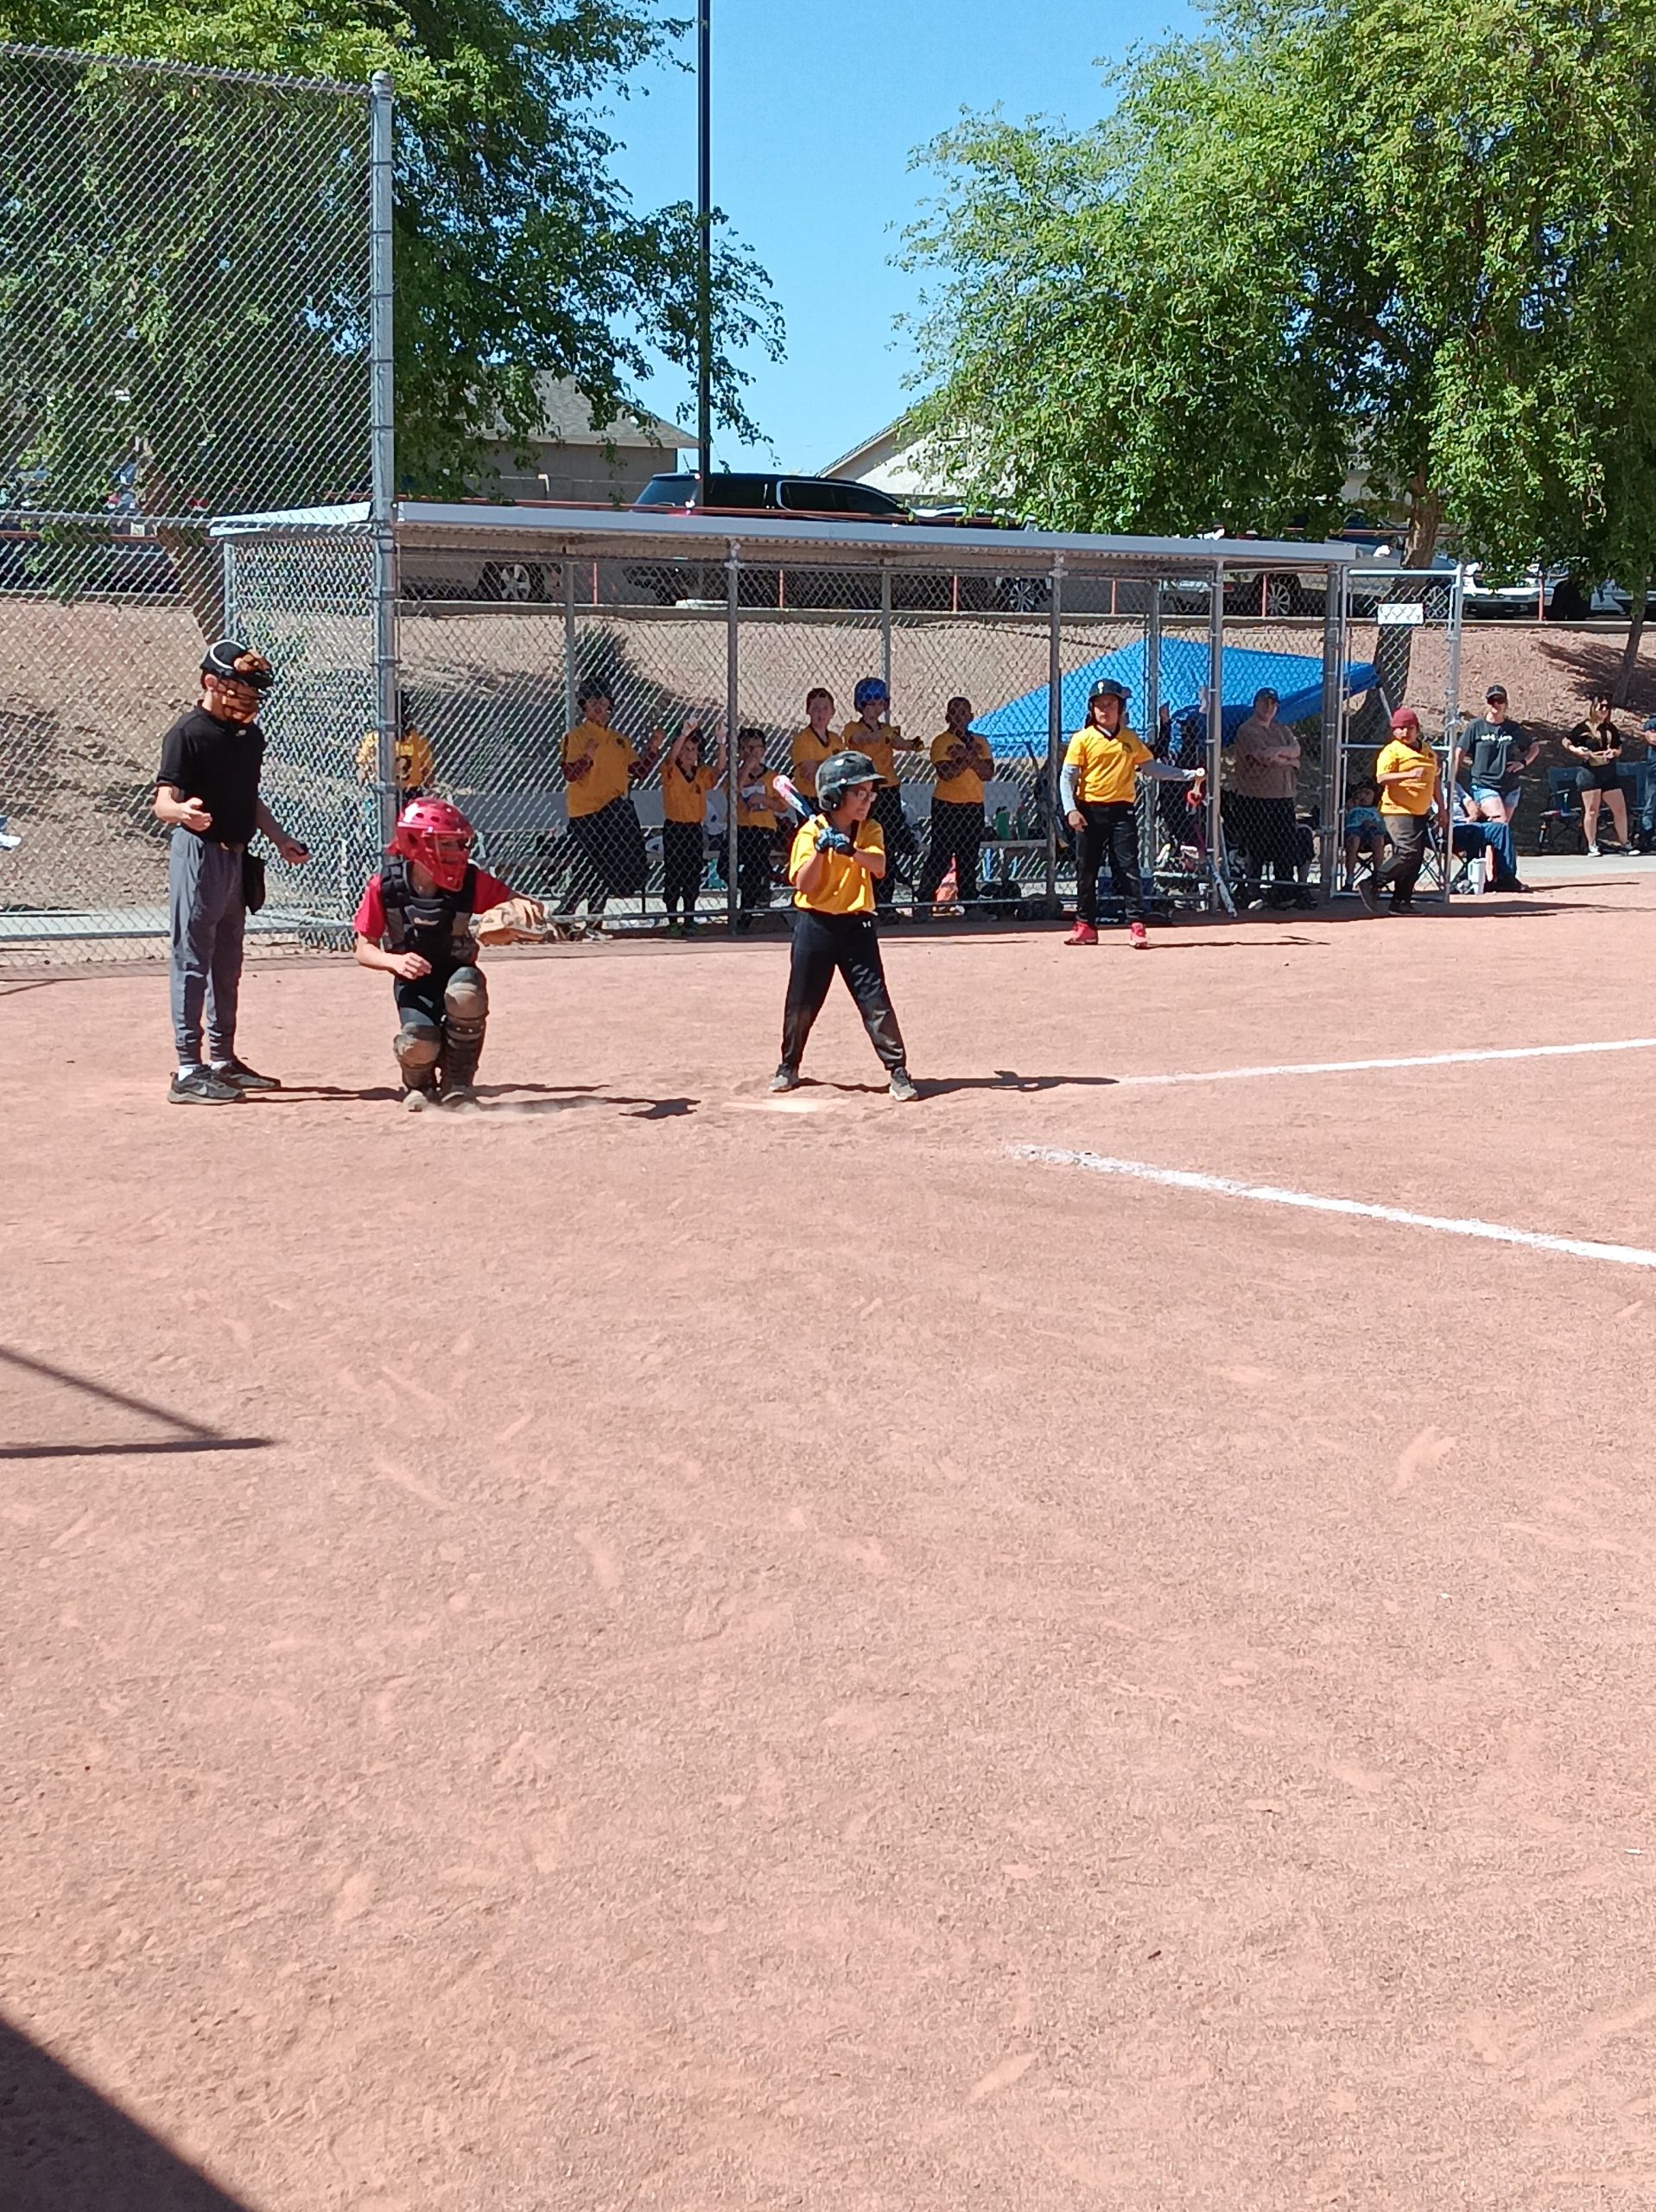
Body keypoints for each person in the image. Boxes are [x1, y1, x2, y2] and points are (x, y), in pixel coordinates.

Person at [152, 639, 310, 1104]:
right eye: (238, 688)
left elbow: (249, 797)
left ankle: (222, 1059)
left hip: (236, 858)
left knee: (227, 962)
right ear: (210, 683)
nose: (247, 699)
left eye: (251, 691)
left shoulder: (248, 738)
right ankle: (187, 1068)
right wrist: (185, 815)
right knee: (193, 959)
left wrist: (280, 839)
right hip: (198, 853)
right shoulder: (188, 734)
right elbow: (163, 802)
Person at [352, 797, 541, 1110]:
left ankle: (458, 1082)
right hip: (413, 982)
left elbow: (527, 903)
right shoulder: (385, 886)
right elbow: (363, 949)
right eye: (446, 845)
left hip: (456, 970)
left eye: (459, 844)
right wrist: (395, 961)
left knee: (466, 993)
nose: (457, 853)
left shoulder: (470, 881)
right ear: (415, 843)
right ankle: (419, 1085)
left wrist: (515, 917)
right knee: (418, 1043)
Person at [771, 748, 917, 1102]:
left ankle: (897, 1070)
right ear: (834, 796)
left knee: (874, 1000)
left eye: (871, 793)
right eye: (859, 793)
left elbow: (879, 866)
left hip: (857, 927)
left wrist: (850, 850)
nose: (868, 800)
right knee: (802, 1001)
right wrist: (822, 850)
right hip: (815, 925)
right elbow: (804, 884)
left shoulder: (869, 830)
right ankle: (788, 1065)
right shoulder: (810, 833)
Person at [1062, 677, 1198, 946]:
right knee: (1086, 869)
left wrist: (1187, 774)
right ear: (1092, 709)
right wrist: (1070, 810)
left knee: (1127, 868)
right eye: (1099, 704)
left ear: (1120, 708)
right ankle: (1085, 925)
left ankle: (1136, 924)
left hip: (1121, 812)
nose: (1105, 709)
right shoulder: (1083, 739)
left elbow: (1152, 768)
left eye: (1110, 704)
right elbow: (1067, 777)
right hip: (1089, 811)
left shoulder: (1129, 739)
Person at [559, 681, 658, 918]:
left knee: (607, 864)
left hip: (612, 812)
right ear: (584, 708)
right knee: (589, 863)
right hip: (586, 811)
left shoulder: (620, 741)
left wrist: (653, 748)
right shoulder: (576, 737)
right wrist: (587, 757)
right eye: (593, 705)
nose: (599, 710)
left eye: (604, 705)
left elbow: (639, 772)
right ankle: (567, 910)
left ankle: (595, 917)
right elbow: (570, 774)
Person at [842, 677, 920, 915]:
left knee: (888, 844)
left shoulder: (887, 730)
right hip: (866, 792)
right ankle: (868, 897)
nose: (878, 708)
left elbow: (899, 742)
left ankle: (886, 898)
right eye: (873, 703)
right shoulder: (853, 728)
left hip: (888, 790)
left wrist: (911, 744)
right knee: (867, 840)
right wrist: (880, 737)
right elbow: (859, 739)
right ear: (862, 705)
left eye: (881, 703)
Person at [1229, 688, 1311, 908]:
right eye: (1264, 703)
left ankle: (1284, 891)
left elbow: (1296, 750)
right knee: (1257, 845)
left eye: (1273, 704)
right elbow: (1265, 758)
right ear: (1255, 704)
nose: (1268, 708)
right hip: (1255, 798)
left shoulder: (1280, 729)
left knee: (1285, 844)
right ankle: (1252, 891)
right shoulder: (1248, 730)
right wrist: (1285, 757)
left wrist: (1280, 753)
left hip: (1283, 797)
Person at [1360, 707, 1440, 914]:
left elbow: (1435, 782)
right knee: (1408, 851)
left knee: (1416, 857)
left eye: (1409, 728)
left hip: (1421, 811)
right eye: (1400, 729)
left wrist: (1443, 809)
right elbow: (1382, 778)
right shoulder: (1392, 751)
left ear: (1417, 729)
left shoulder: (1428, 751)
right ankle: (1372, 883)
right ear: (1393, 731)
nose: (1405, 732)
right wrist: (1409, 775)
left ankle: (1402, 901)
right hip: (1397, 810)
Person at [917, 696, 994, 912]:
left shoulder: (981, 741)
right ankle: (924, 902)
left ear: (971, 716)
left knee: (968, 857)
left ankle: (970, 905)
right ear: (947, 717)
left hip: (973, 805)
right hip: (947, 805)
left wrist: (964, 756)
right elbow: (946, 773)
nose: (960, 717)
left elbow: (987, 773)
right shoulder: (942, 741)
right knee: (941, 855)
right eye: (955, 712)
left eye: (964, 712)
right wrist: (972, 759)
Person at [658, 715, 726, 934]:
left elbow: (719, 769)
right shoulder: (671, 772)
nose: (689, 754)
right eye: (685, 749)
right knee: (674, 873)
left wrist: (721, 742)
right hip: (675, 828)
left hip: (694, 829)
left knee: (692, 873)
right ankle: (672, 919)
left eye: (693, 750)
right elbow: (670, 759)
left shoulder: (700, 775)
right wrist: (683, 734)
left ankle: (689, 916)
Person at [1452, 684, 1538, 841]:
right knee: (1500, 822)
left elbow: (1533, 748)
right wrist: (1453, 779)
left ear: (1506, 703)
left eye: (1500, 701)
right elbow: (1460, 752)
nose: (1496, 705)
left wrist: (1523, 763)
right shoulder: (1476, 727)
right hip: (1484, 785)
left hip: (1510, 787)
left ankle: (1490, 863)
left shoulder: (1512, 728)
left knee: (1498, 832)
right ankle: (1493, 862)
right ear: (1487, 703)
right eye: (1492, 701)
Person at [1563, 690, 1630, 855]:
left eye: (1607, 707)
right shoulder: (1584, 727)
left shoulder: (1610, 728)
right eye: (1602, 707)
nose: (1604, 710)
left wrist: (1614, 753)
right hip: (1590, 772)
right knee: (1592, 810)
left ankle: (1625, 843)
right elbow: (1566, 741)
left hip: (1608, 771)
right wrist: (1577, 750)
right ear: (1594, 708)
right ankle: (1592, 845)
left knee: (1620, 808)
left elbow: (1618, 748)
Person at [734, 728, 784, 927]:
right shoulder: (737, 774)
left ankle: (745, 914)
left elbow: (782, 806)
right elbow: (733, 792)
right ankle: (755, 887)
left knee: (753, 868)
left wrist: (764, 799)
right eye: (746, 748)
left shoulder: (772, 776)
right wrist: (746, 770)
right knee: (724, 867)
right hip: (740, 827)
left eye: (756, 748)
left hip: (762, 828)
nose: (751, 753)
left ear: (764, 751)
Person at [355, 713, 435, 799]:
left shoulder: (375, 737)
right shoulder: (417, 739)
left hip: (382, 789)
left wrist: (362, 782)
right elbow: (427, 775)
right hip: (410, 791)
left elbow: (363, 768)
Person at [789, 687, 842, 800]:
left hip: (832, 796)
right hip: (809, 798)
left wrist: (820, 765)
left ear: (833, 712)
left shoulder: (836, 739)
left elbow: (844, 770)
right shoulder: (803, 739)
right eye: (816, 708)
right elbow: (810, 775)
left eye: (825, 708)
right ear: (808, 711)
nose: (821, 713)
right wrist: (833, 763)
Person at [1342, 778, 1388, 891]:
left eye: (1368, 793)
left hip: (1372, 832)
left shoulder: (1376, 809)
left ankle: (1377, 879)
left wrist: (1372, 824)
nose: (1364, 796)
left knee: (1378, 841)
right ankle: (1349, 879)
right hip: (1356, 831)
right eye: (1361, 793)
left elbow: (1381, 825)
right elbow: (1348, 817)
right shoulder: (1353, 807)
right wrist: (1354, 801)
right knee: (1354, 840)